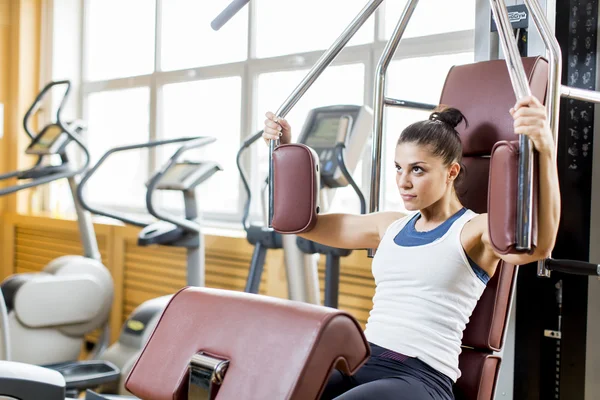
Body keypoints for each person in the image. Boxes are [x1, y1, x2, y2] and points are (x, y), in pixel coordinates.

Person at [262, 95, 561, 400]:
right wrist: (287, 149)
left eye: (417, 170)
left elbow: (538, 248)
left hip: (420, 378)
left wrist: (546, 150)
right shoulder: (389, 226)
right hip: (361, 362)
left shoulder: (474, 230)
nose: (403, 182)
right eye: (398, 168)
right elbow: (304, 222)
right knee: (276, 389)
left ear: (451, 172)